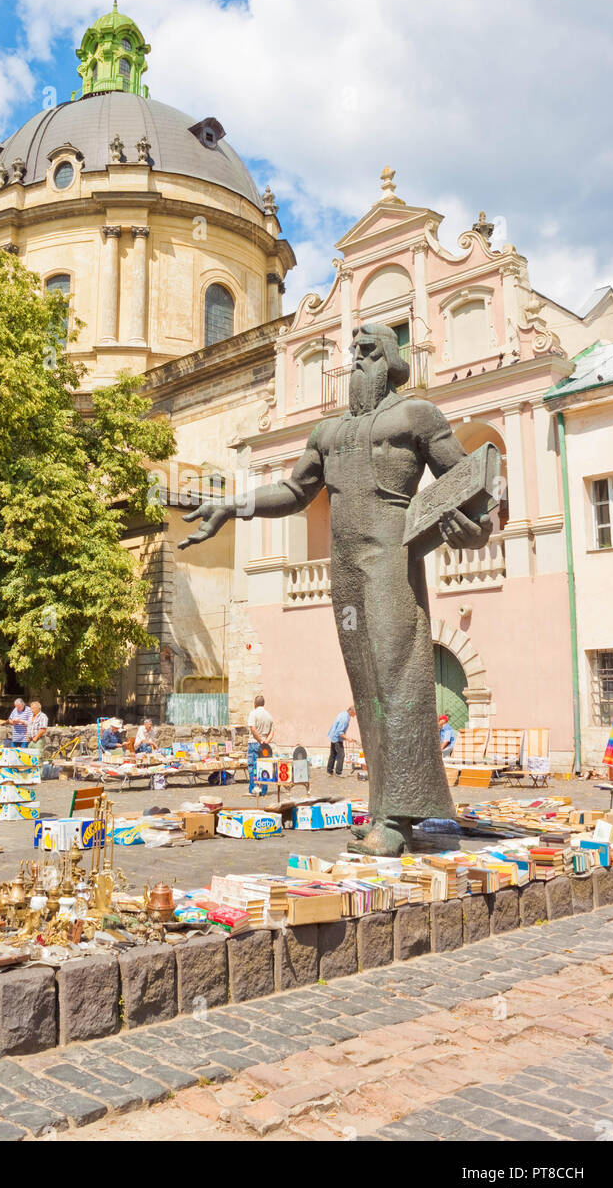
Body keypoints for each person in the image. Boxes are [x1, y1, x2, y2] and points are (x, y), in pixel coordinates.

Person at [180, 321, 491, 856]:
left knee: (399, 676)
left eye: (370, 352)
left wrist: (475, 530)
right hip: (343, 569)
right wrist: (233, 506)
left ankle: (396, 819)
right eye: (355, 353)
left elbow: (470, 485)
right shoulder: (328, 433)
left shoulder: (417, 415)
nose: (358, 361)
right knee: (366, 685)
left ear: (394, 361)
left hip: (392, 562)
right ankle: (390, 808)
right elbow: (294, 491)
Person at [247, 694, 274, 797]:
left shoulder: (253, 714)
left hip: (254, 742)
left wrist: (260, 740)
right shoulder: (269, 715)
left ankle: (254, 789)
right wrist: (266, 741)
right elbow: (272, 731)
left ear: (255, 704)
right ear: (263, 703)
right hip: (265, 745)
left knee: (253, 766)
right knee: (264, 766)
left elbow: (253, 729)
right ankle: (263, 790)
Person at [326, 706, 353, 776]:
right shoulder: (345, 718)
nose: (355, 714)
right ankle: (338, 772)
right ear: (351, 711)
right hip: (337, 738)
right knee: (341, 755)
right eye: (355, 713)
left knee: (333, 754)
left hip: (333, 736)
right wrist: (348, 738)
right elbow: (339, 732)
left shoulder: (343, 714)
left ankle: (329, 771)